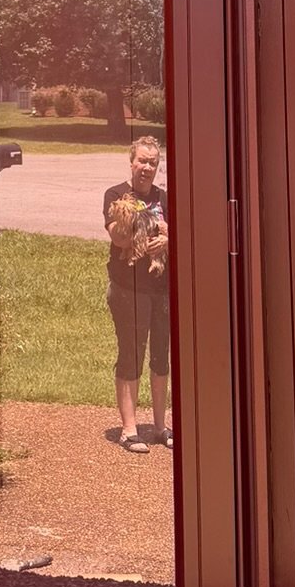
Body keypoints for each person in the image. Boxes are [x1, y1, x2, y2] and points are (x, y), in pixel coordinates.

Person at [103, 134, 171, 453]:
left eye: (153, 162)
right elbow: (118, 240)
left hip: (161, 289)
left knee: (160, 356)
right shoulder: (116, 196)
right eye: (142, 161)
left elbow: (180, 231)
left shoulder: (165, 198)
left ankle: (159, 426)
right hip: (128, 289)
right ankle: (129, 429)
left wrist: (168, 241)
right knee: (132, 353)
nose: (147, 167)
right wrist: (135, 228)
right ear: (132, 162)